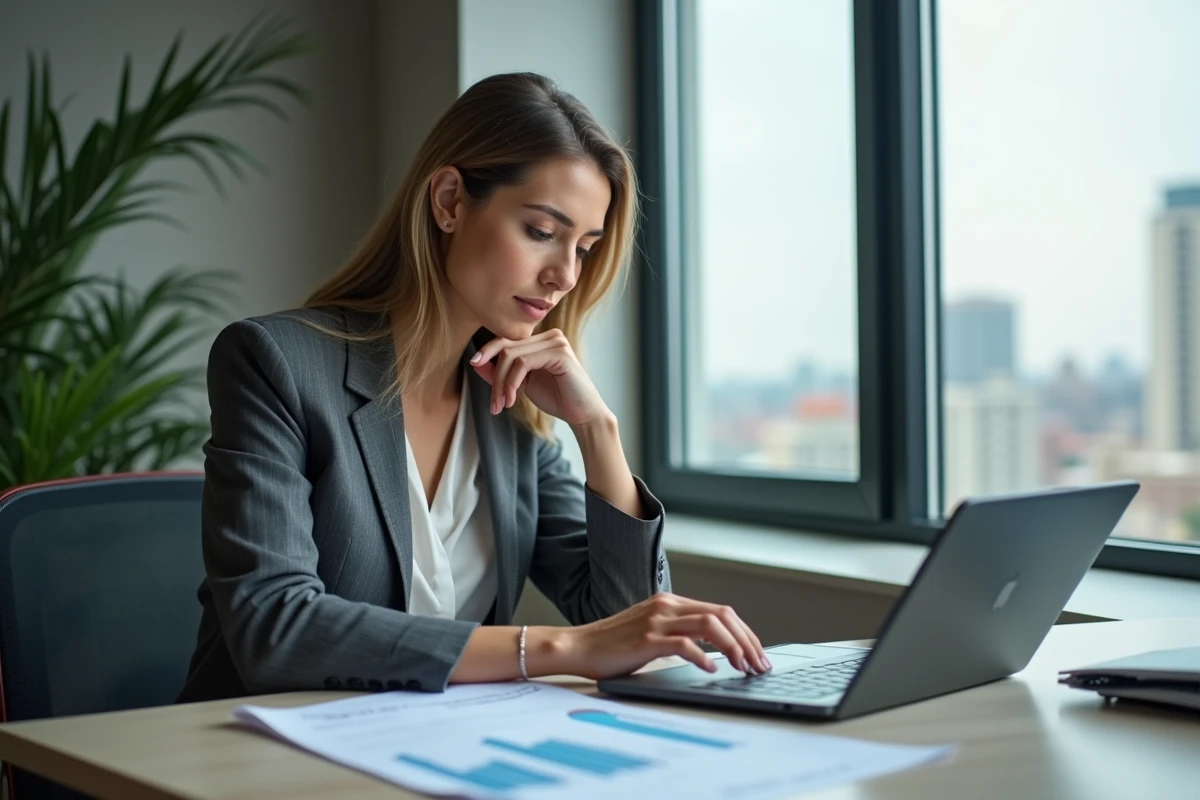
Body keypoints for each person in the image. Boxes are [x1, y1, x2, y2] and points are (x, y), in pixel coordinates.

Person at [177, 72, 770, 703]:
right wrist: (557, 649)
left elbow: (630, 624)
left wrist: (598, 432)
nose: (565, 274)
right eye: (542, 232)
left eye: (585, 248)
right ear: (451, 201)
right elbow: (275, 626)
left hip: (433, 755)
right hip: (256, 761)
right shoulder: (277, 363)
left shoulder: (509, 407)